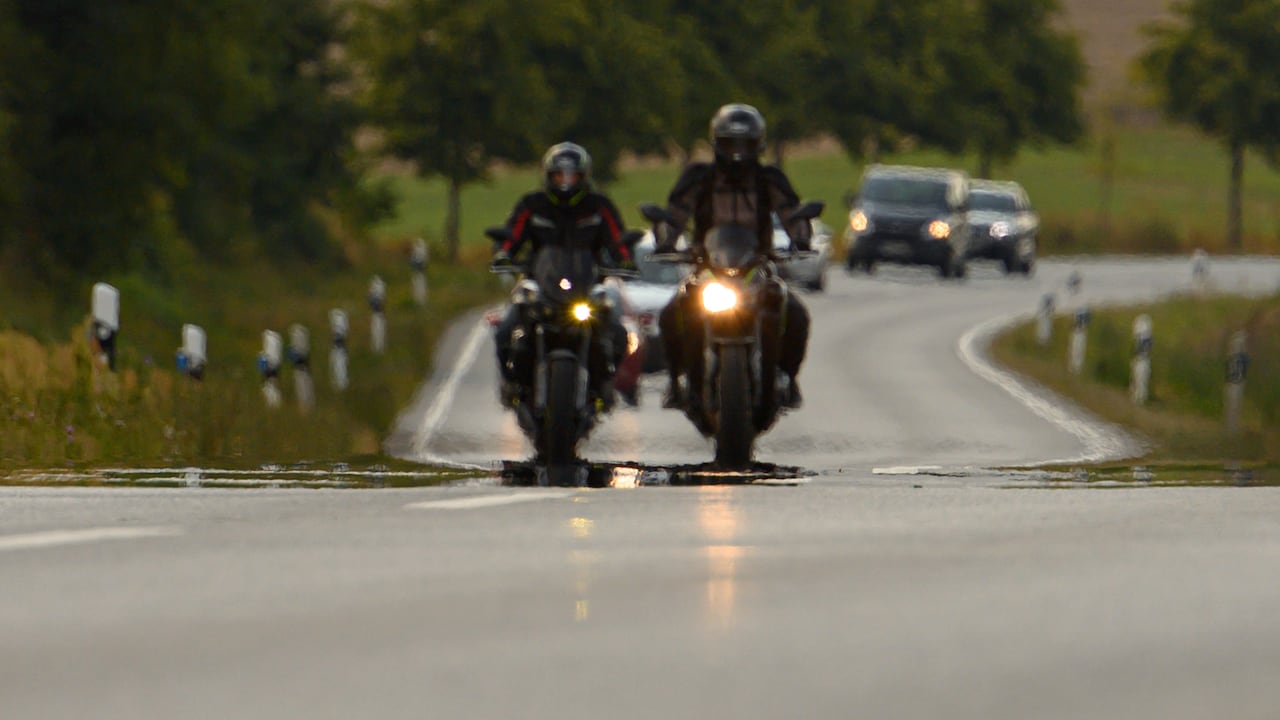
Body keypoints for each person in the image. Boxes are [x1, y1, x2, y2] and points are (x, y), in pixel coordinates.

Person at [654, 103, 812, 410]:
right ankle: (676, 383)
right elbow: (675, 212)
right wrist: (666, 240)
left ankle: (788, 379)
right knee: (671, 314)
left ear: (758, 145)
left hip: (757, 266)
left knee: (796, 314)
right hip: (709, 266)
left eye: (745, 145)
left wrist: (802, 238)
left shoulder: (769, 178)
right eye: (731, 144)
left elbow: (792, 212)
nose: (738, 153)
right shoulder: (699, 177)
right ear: (717, 143)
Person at [491, 141, 634, 408]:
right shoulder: (533, 204)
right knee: (505, 330)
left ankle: (604, 385)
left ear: (583, 177)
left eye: (572, 175)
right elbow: (512, 235)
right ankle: (513, 385)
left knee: (617, 332)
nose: (566, 181)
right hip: (539, 285)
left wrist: (625, 260)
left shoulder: (598, 205)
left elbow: (618, 240)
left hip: (587, 287)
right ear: (549, 175)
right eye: (560, 175)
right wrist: (503, 253)